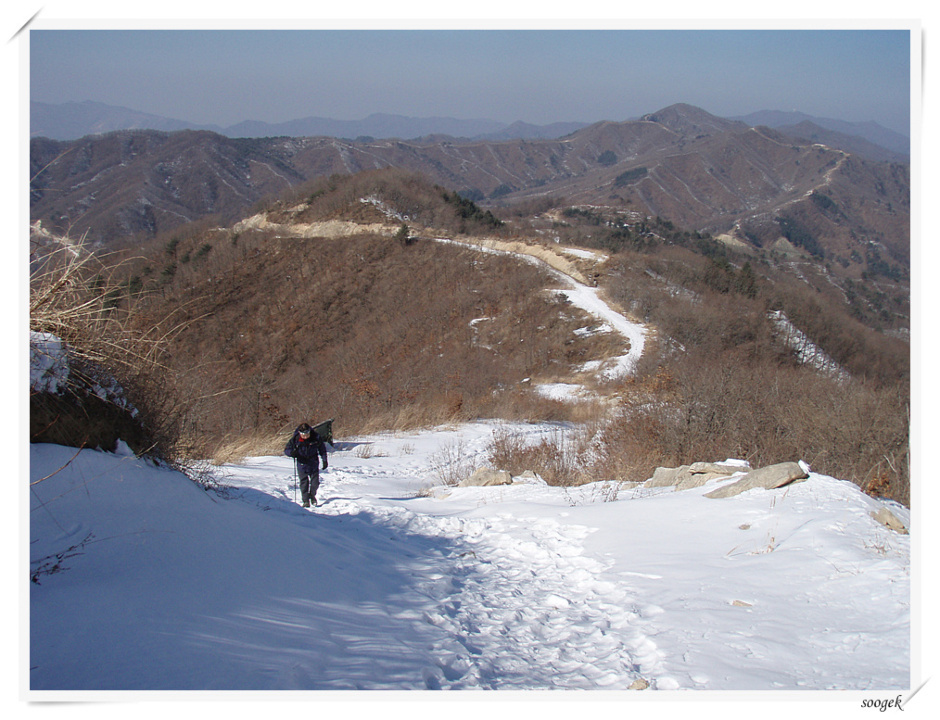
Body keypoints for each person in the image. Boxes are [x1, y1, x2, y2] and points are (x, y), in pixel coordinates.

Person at [284, 422, 329, 507]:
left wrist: (324, 460)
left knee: (315, 483)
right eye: (303, 435)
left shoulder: (315, 437)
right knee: (304, 483)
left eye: (307, 434)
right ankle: (305, 501)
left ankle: (312, 496)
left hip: (313, 462)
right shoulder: (295, 439)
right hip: (302, 463)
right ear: (300, 433)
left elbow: (322, 449)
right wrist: (292, 453)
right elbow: (286, 450)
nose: (305, 437)